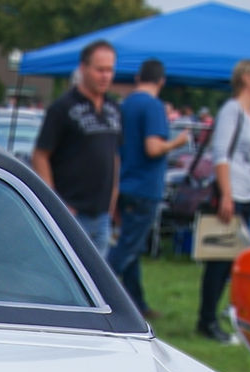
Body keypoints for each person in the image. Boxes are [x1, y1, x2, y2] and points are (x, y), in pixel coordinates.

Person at [106, 57, 189, 320]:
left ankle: (137, 304)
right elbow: (153, 148)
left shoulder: (125, 104)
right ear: (161, 81)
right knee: (128, 248)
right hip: (145, 186)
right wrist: (178, 142)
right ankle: (100, 289)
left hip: (124, 182)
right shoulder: (153, 107)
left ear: (137, 78)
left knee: (132, 247)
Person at [196, 58, 250, 342]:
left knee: (234, 260)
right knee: (220, 259)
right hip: (232, 193)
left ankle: (223, 313)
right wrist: (226, 194)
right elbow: (221, 154)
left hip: (248, 192)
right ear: (247, 78)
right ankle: (207, 319)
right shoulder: (232, 110)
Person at [33, 40, 121, 256]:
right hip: (72, 212)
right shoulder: (63, 108)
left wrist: (113, 200)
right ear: (83, 68)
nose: (105, 76)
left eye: (110, 70)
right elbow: (40, 155)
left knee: (96, 284)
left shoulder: (114, 109)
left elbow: (115, 155)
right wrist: (55, 203)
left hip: (101, 215)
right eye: (100, 69)